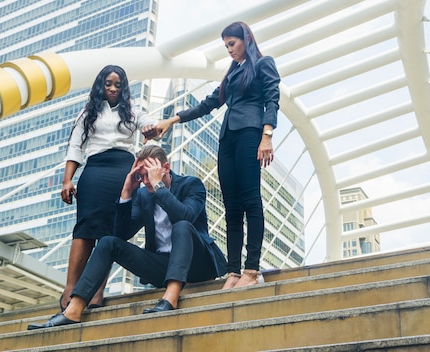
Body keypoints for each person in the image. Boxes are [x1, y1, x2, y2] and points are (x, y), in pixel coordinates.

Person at [28, 145, 227, 329]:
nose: (145, 181)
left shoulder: (191, 185)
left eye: (148, 175)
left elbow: (185, 216)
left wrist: (158, 187)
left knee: (182, 226)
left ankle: (170, 298)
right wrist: (126, 193)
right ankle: (73, 310)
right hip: (162, 267)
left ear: (165, 168)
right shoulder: (143, 195)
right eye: (141, 176)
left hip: (198, 264)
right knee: (108, 242)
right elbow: (121, 235)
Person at [153, 21, 280, 289]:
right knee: (231, 207)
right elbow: (208, 104)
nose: (229, 50)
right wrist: (172, 120)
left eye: (232, 44)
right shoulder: (232, 74)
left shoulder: (262, 64)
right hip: (228, 140)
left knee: (250, 200)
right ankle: (233, 272)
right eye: (226, 46)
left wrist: (266, 136)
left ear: (246, 39)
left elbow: (272, 98)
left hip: (250, 134)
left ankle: (252, 269)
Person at [59, 65, 158, 311]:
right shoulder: (88, 113)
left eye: (118, 84)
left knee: (109, 232)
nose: (113, 88)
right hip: (94, 170)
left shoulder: (132, 110)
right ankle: (70, 288)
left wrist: (150, 129)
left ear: (124, 88)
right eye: (108, 83)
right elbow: (75, 146)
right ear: (100, 85)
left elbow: (150, 124)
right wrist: (67, 180)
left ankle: (96, 292)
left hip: (122, 171)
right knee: (85, 229)